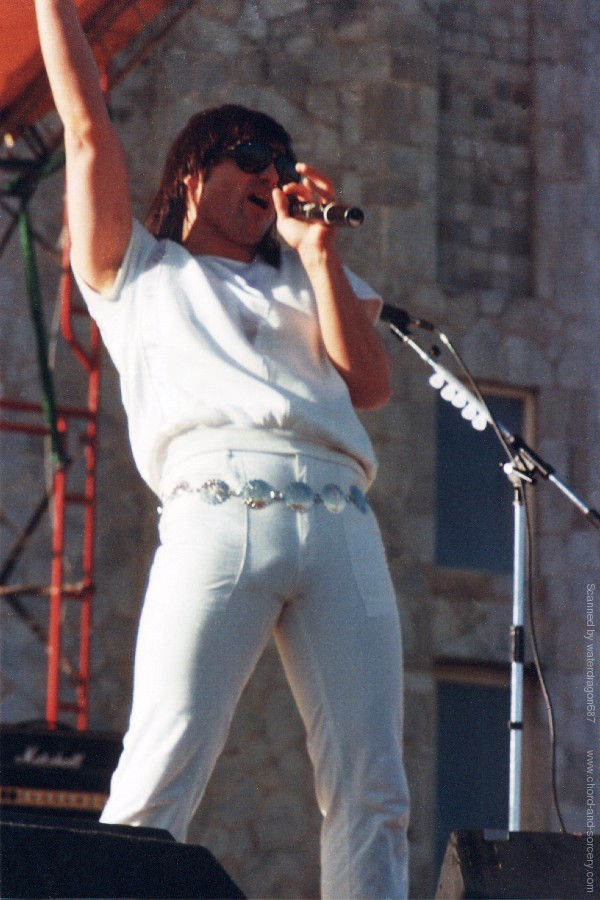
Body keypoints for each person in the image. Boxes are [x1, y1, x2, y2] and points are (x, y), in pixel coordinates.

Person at [34, 1, 410, 896]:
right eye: (251, 156)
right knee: (163, 766)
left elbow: (371, 386)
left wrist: (319, 256)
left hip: (340, 519)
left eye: (281, 162)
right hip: (217, 508)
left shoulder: (317, 276)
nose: (270, 173)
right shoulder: (141, 269)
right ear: (195, 173)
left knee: (373, 789)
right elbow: (87, 129)